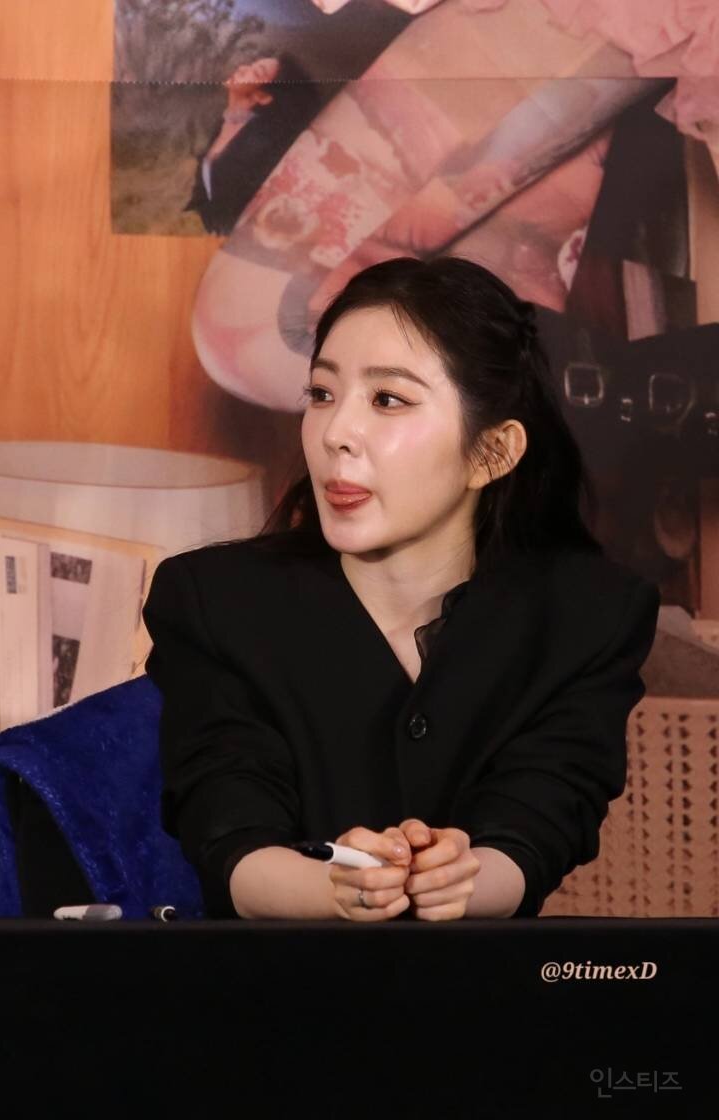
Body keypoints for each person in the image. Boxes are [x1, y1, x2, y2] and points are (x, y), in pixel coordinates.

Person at [143, 256, 660, 922]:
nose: (335, 434)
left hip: (482, 986)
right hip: (270, 982)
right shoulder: (213, 601)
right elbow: (229, 833)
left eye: (387, 399)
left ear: (493, 453)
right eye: (322, 394)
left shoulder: (588, 616)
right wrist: (335, 890)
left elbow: (543, 820)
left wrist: (461, 880)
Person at [184, 53, 324, 236]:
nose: (242, 68)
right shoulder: (227, 122)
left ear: (262, 97)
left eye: (256, 72)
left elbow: (231, 209)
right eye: (251, 65)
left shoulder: (256, 144)